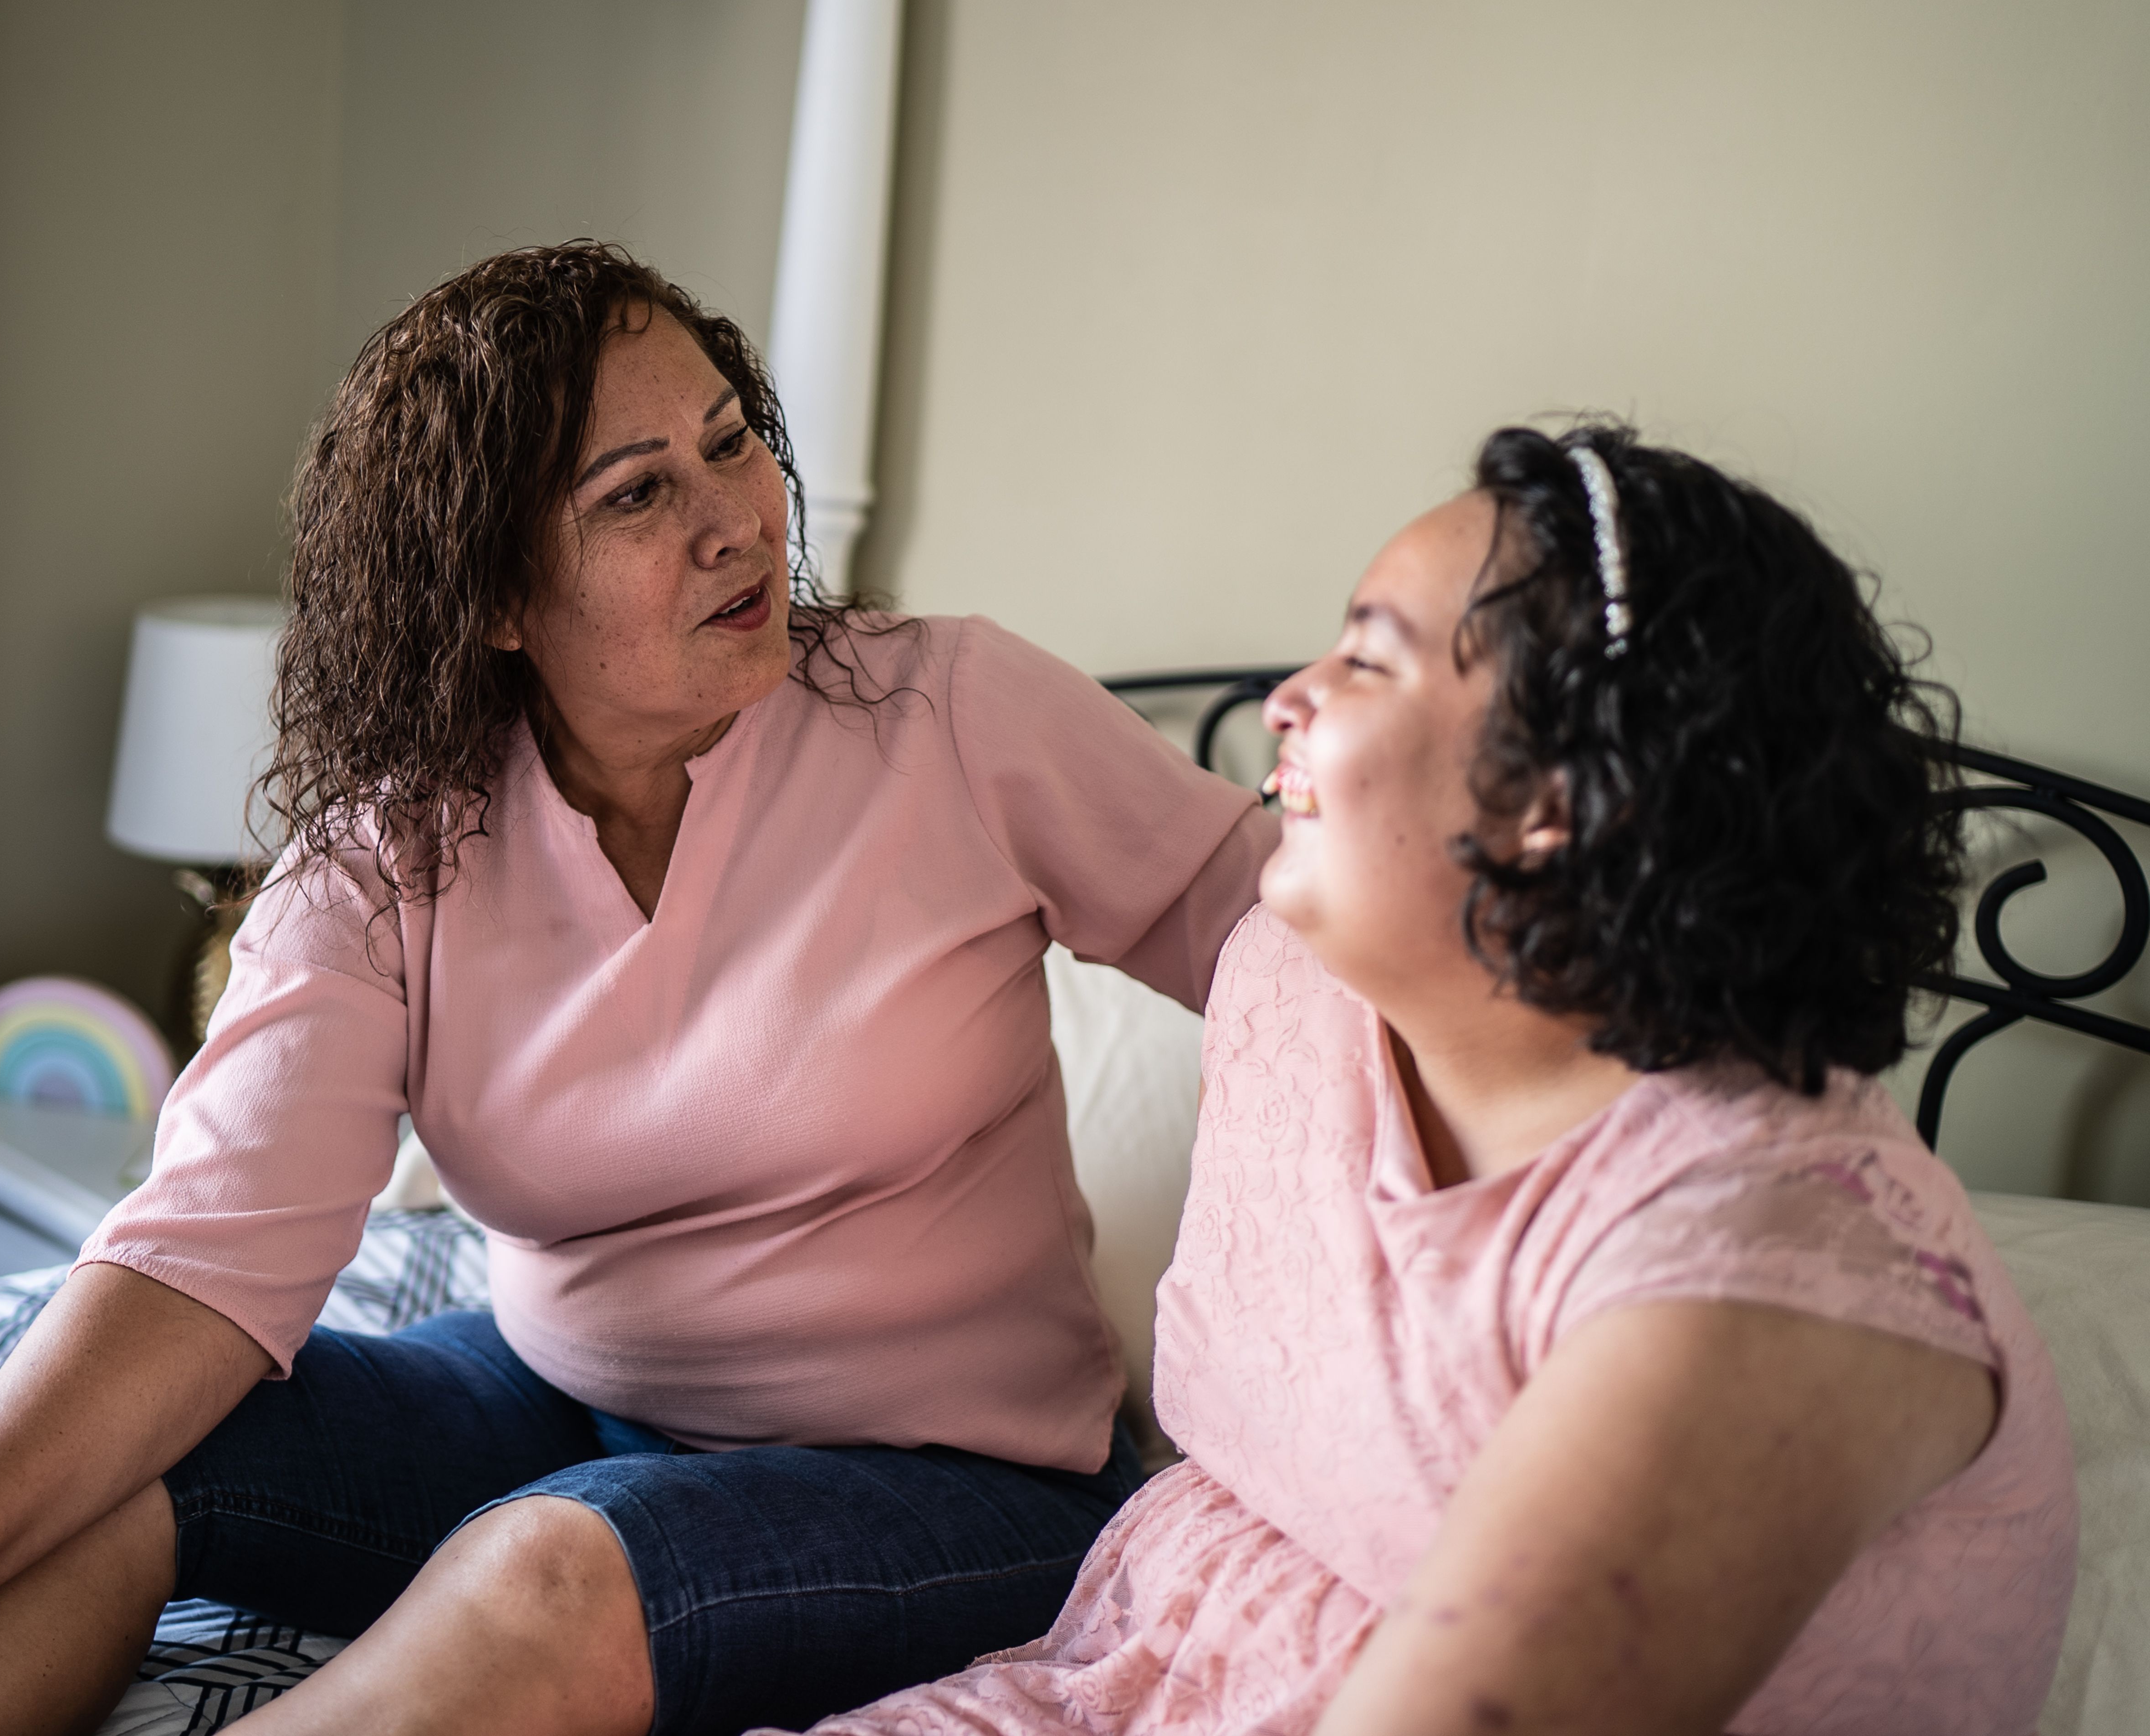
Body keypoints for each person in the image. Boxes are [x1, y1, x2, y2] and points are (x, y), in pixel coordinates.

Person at [0, 242, 1277, 1736]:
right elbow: (196, 1262)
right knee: (116, 1463)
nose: (740, 517)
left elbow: (1284, 943)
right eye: (640, 494)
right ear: (497, 601)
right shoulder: (394, 857)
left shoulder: (951, 715)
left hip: (966, 1482)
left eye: (732, 443)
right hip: (563, 1402)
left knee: (546, 1570)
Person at [786, 424, 2079, 1736]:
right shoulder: (1290, 989)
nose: (1293, 694)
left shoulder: (1761, 1269)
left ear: (1560, 797)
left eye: (1365, 657)